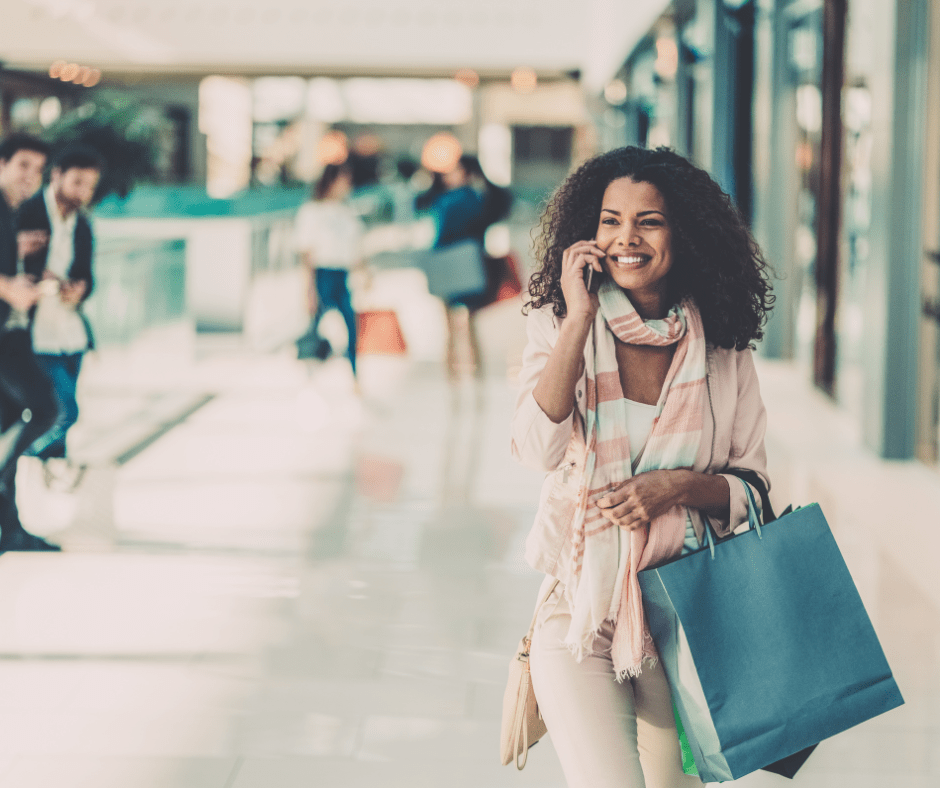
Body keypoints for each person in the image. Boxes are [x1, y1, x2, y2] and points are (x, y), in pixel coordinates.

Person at [510, 146, 774, 788]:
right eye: (609, 220)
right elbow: (536, 449)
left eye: (648, 221)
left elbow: (756, 493)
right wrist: (579, 320)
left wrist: (677, 487)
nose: (626, 238)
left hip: (689, 611)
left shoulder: (723, 348)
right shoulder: (559, 325)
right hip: (581, 608)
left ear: (683, 232)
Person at [18, 144, 103, 487]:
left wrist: (80, 289)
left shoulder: (82, 224)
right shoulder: (26, 212)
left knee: (61, 425)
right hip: (35, 332)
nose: (84, 192)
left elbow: (88, 275)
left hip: (71, 334)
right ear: (57, 176)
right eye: (78, 183)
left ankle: (45, 495)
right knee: (62, 412)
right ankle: (17, 466)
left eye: (90, 186)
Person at [0, 133, 61, 552]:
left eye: (37, 170)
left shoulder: (12, 213)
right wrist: (7, 288)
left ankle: (12, 528)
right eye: (23, 165)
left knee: (13, 419)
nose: (30, 177)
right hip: (6, 338)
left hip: (12, 332)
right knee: (46, 408)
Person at [430, 154, 512, 377]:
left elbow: (439, 239)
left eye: (453, 170)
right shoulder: (480, 200)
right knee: (473, 330)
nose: (447, 175)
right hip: (473, 266)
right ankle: (478, 383)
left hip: (447, 267)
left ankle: (453, 383)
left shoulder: (447, 201)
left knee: (449, 333)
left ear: (464, 172)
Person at [294, 162, 365, 380]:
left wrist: (364, 274)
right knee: (316, 327)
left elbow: (355, 249)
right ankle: (311, 373)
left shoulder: (348, 213)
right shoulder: (312, 211)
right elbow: (306, 252)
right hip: (322, 274)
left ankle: (354, 376)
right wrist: (308, 289)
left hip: (342, 275)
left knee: (351, 328)